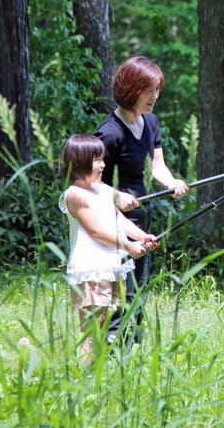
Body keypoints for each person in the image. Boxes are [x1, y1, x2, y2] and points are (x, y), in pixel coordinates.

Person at [94, 56, 189, 342]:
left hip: (143, 223)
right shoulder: (109, 133)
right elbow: (88, 184)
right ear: (131, 89)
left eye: (157, 89)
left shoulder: (150, 122)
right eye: (149, 90)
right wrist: (116, 195)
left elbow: (156, 166)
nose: (155, 97)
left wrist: (172, 183)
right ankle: (108, 358)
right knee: (122, 298)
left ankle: (131, 358)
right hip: (114, 225)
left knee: (138, 295)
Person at [59, 134, 158, 363]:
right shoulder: (74, 195)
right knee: (92, 330)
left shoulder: (100, 190)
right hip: (90, 268)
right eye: (97, 160)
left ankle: (91, 375)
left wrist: (142, 237)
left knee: (102, 326)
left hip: (108, 266)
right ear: (80, 161)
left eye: (103, 159)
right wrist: (129, 246)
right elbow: (96, 231)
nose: (103, 165)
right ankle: (80, 379)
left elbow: (119, 220)